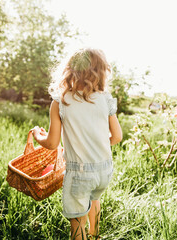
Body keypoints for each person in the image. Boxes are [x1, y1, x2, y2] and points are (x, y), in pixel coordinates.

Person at [32, 48, 122, 240]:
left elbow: (52, 143)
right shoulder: (105, 99)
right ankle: (94, 236)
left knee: (77, 221)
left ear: (70, 71)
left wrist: (39, 136)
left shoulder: (61, 101)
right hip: (104, 171)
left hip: (79, 174)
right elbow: (117, 137)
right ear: (101, 72)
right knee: (94, 200)